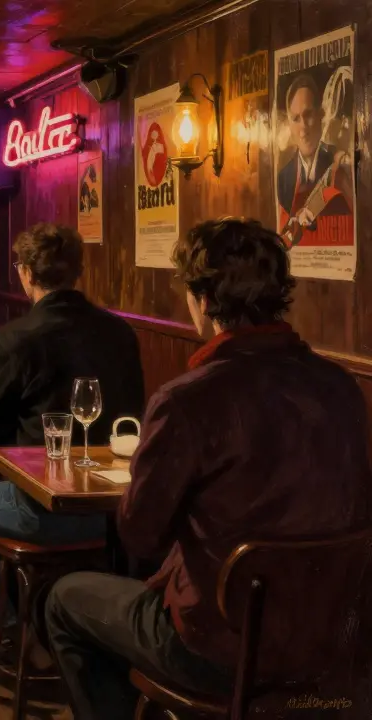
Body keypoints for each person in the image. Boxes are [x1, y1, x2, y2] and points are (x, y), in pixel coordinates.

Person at [44, 218, 372, 719]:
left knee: (66, 600)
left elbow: (139, 535)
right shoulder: (341, 387)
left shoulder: (188, 400)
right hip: (334, 644)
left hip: (219, 649)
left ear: (201, 298)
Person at [0, 224, 145, 661]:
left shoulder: (16, 337)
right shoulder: (120, 333)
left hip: (45, 510)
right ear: (77, 272)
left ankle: (5, 630)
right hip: (116, 514)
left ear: (26, 274)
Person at [275, 72, 354, 248]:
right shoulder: (283, 178)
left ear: (321, 115)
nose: (303, 127)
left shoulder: (340, 164)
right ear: (289, 124)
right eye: (296, 119)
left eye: (308, 115)